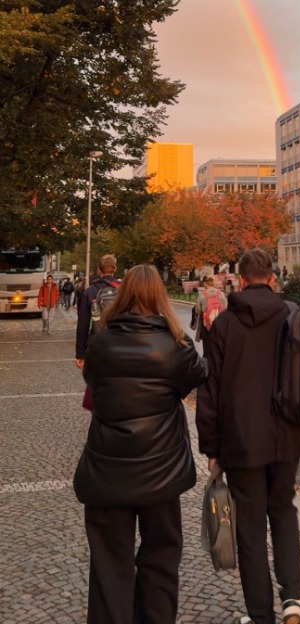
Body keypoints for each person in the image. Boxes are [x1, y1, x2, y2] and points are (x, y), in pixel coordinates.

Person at [74, 263, 207, 624]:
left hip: (106, 469)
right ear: (158, 296)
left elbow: (93, 381)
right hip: (161, 470)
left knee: (108, 565)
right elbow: (198, 374)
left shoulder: (100, 340)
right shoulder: (174, 345)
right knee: (161, 561)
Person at [196, 248, 300, 624]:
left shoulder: (225, 324)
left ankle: (261, 615)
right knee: (283, 509)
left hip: (241, 439)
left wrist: (210, 445)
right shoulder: (293, 316)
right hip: (287, 435)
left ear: (240, 281)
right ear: (273, 279)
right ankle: (293, 598)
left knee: (250, 524)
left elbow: (210, 390)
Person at [75, 254, 119, 368]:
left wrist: (80, 354)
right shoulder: (124, 289)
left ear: (99, 270)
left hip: (97, 344)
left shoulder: (90, 292)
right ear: (115, 269)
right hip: (121, 342)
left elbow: (82, 326)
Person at [192, 275, 227, 357]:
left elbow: (197, 310)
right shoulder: (221, 294)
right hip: (219, 325)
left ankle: (207, 365)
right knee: (218, 347)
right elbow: (225, 308)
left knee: (207, 348)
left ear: (204, 283)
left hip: (206, 325)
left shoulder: (202, 295)